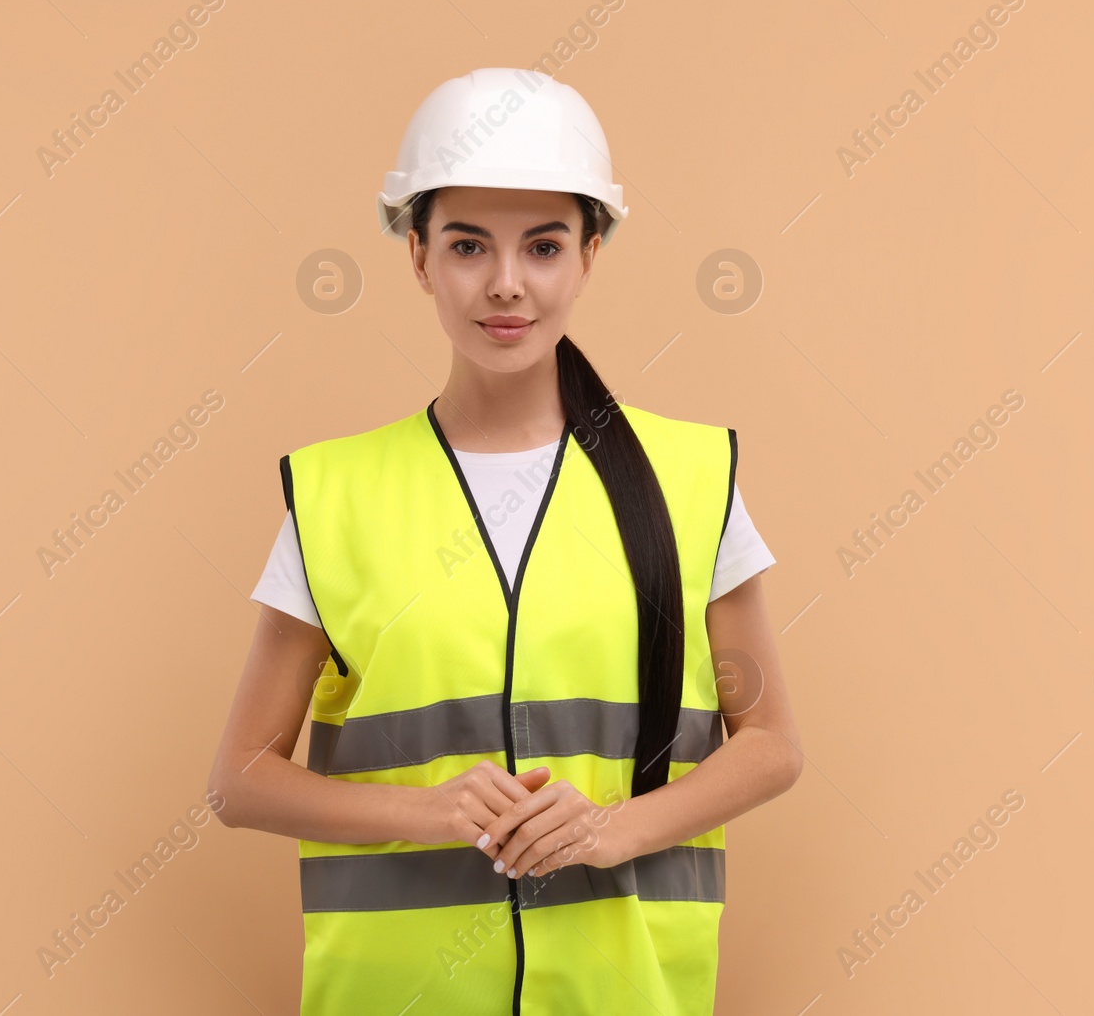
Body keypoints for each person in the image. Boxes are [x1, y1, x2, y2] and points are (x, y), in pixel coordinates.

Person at [207, 67, 803, 1016]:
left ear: (590, 255)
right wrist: (430, 810)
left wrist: (615, 828)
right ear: (418, 255)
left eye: (545, 245)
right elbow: (240, 780)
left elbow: (769, 743)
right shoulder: (336, 496)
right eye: (468, 244)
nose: (506, 284)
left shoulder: (690, 481)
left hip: (626, 993)